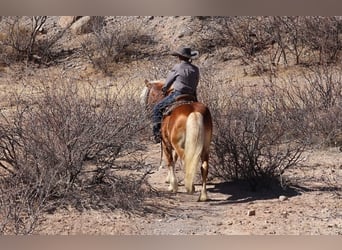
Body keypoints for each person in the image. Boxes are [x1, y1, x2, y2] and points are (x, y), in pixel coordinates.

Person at [152, 46, 200, 143]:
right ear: (190, 57)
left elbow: (168, 82)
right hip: (192, 95)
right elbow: (196, 82)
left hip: (178, 94)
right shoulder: (195, 69)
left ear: (180, 57)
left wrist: (165, 89)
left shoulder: (177, 67)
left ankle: (157, 135)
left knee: (157, 108)